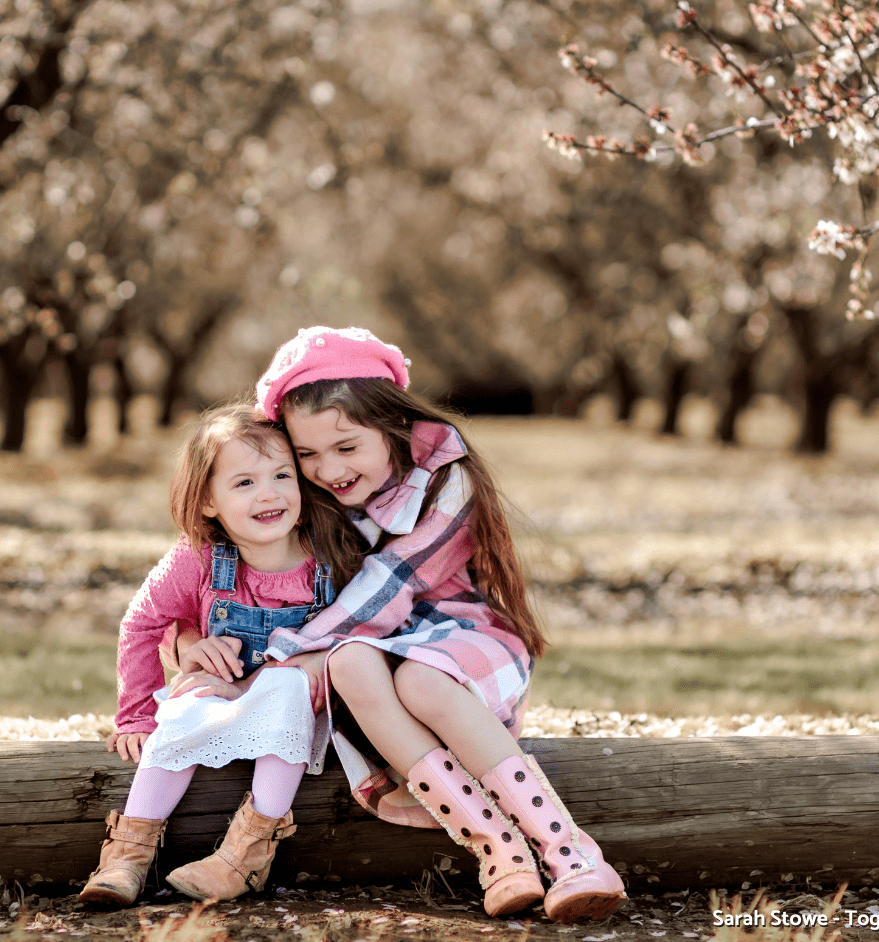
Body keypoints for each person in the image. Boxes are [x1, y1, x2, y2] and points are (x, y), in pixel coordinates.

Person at [252, 326, 626, 924]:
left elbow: (393, 583)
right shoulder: (310, 497)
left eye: (346, 446)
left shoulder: (449, 479)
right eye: (307, 453)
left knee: (419, 679)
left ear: (393, 425)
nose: (327, 468)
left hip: (468, 640)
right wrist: (196, 639)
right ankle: (498, 850)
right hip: (367, 646)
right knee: (348, 662)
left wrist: (292, 651)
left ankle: (570, 851)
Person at [79, 403, 364, 907]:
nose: (270, 493)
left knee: (285, 688)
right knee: (187, 702)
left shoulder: (333, 552)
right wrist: (137, 715)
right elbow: (142, 622)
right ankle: (127, 854)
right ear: (207, 500)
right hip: (223, 695)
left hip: (305, 702)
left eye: (282, 475)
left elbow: (364, 630)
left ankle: (246, 856)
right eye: (244, 483)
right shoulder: (199, 558)